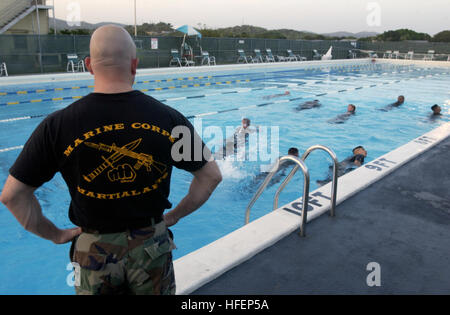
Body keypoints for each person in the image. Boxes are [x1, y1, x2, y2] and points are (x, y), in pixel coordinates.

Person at [0, 25, 222, 295]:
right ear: (135, 65)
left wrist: (56, 234)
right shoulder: (168, 118)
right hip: (152, 245)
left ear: (89, 66)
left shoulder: (57, 125)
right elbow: (211, 176)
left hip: (92, 251)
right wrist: (173, 216)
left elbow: (13, 196)